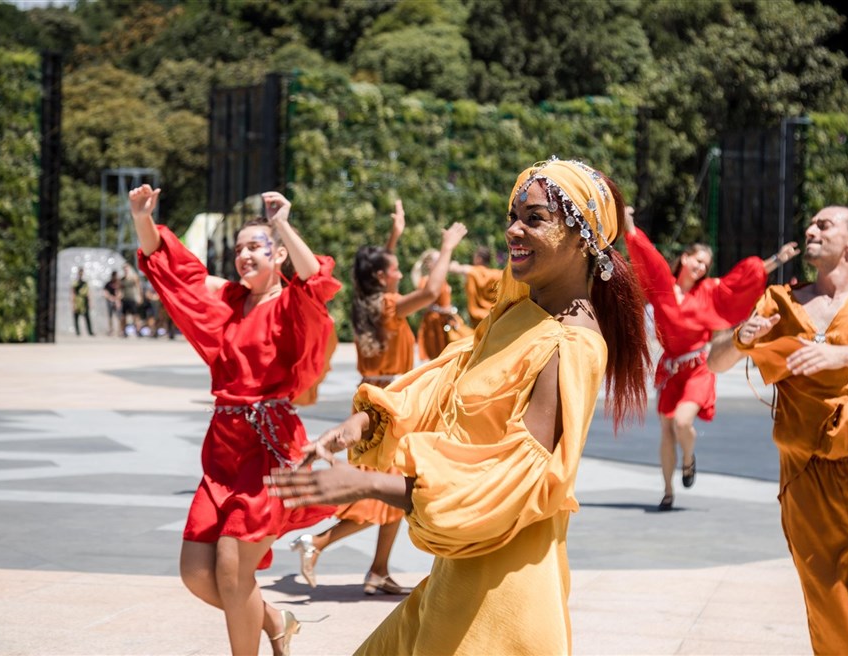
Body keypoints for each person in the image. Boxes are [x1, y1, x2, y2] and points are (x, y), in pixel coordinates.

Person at [267, 158, 652, 654]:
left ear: (583, 239)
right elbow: (449, 376)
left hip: (501, 591)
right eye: (513, 215)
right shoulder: (518, 313)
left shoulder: (571, 345)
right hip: (461, 573)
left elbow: (515, 480)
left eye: (534, 218)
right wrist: (361, 422)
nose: (513, 229)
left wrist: (365, 483)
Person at [128, 183, 341, 656]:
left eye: (255, 247)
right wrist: (143, 218)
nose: (244, 256)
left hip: (269, 448)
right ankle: (275, 619)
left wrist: (282, 222)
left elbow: (316, 282)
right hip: (223, 449)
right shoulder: (227, 302)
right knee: (196, 572)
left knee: (232, 566)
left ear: (278, 254)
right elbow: (173, 270)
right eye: (239, 249)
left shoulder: (292, 304)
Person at [708, 205, 848, 655]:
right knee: (830, 611)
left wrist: (843, 354)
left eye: (824, 225)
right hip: (806, 475)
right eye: (811, 223)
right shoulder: (780, 301)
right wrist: (741, 337)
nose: (811, 229)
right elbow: (715, 362)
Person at [289, 200, 467, 596]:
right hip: (386, 408)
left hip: (375, 401)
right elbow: (432, 291)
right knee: (382, 495)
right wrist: (447, 246)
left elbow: (386, 272)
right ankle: (316, 543)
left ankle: (378, 570)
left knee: (395, 490)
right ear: (382, 277)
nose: (400, 272)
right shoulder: (389, 307)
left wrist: (394, 235)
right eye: (395, 268)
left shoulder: (369, 301)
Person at [624, 207, 799, 510]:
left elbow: (740, 281)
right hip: (671, 368)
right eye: (698, 260)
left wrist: (778, 259)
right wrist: (627, 223)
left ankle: (688, 459)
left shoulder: (708, 291)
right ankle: (668, 492)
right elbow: (647, 256)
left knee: (682, 422)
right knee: (666, 429)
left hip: (697, 369)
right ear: (685, 258)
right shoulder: (663, 288)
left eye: (706, 264)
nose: (702, 267)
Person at [412, 248, 473, 361]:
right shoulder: (426, 281)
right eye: (438, 260)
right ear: (429, 264)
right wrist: (443, 310)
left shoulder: (443, 279)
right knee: (438, 357)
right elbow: (425, 304)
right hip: (434, 324)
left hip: (446, 320)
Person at [450, 245, 502, 327]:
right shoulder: (497, 274)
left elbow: (454, 268)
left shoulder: (473, 272)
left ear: (479, 259)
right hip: (495, 317)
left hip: (479, 320)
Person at [120, 262, 143, 337]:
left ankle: (138, 330)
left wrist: (139, 297)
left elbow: (138, 287)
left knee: (135, 315)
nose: (126, 270)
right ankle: (123, 331)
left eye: (127, 268)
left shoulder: (133, 277)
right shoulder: (122, 279)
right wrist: (118, 299)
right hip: (125, 299)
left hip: (132, 298)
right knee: (123, 316)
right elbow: (120, 290)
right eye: (124, 269)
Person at [70, 267, 94, 336]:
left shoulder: (85, 283)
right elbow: (73, 293)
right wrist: (73, 304)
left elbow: (88, 293)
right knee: (76, 317)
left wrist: (90, 302)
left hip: (84, 301)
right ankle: (77, 332)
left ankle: (90, 331)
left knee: (87, 317)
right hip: (77, 301)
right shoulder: (75, 283)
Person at [102, 271, 122, 336]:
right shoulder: (108, 284)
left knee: (119, 316)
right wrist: (110, 297)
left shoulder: (119, 283)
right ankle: (111, 330)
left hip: (117, 302)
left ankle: (120, 330)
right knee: (110, 316)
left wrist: (116, 299)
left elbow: (120, 292)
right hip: (110, 301)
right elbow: (105, 292)